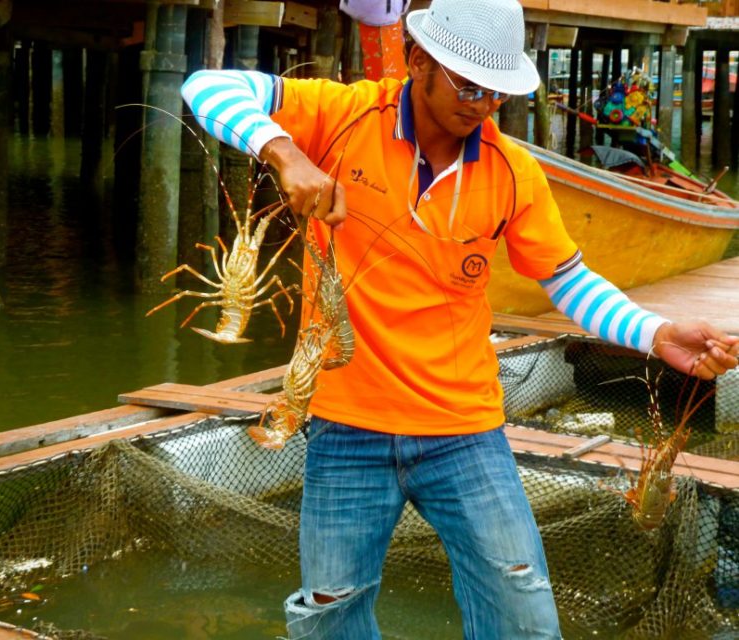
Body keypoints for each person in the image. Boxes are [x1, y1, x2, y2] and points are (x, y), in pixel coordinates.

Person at [180, 0, 739, 637]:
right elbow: (206, 85)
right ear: (419, 60)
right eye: (468, 85)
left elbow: (567, 281)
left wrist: (658, 332)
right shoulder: (344, 114)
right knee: (329, 610)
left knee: (521, 600)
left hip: (465, 429)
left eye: (496, 92)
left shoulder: (512, 171)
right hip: (344, 424)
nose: (481, 104)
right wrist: (283, 151)